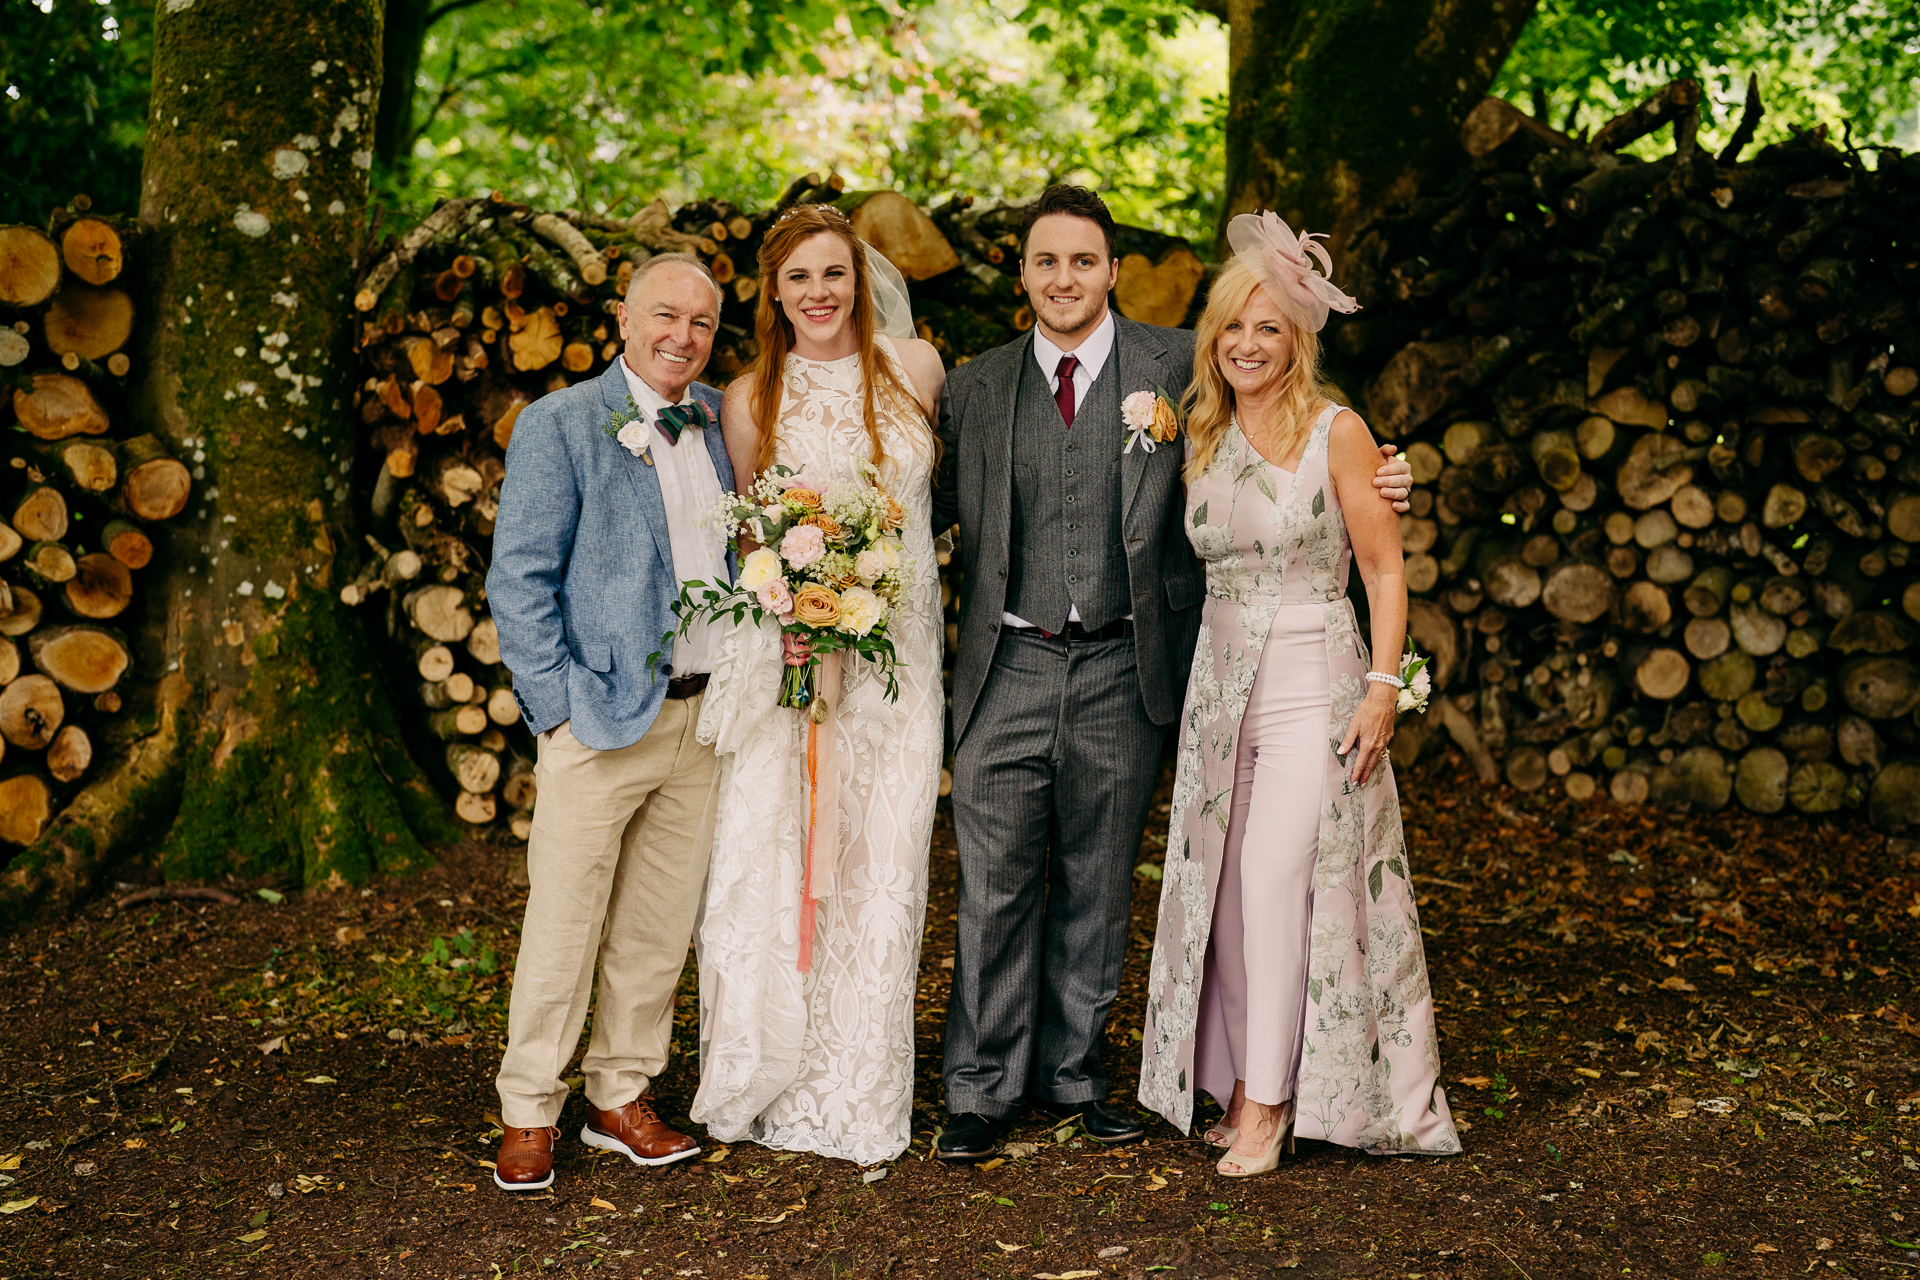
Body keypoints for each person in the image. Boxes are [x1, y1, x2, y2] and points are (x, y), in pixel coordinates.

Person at [931, 186, 1414, 1163]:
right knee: (993, 886)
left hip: (1128, 666)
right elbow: (925, 508)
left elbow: (1321, 468)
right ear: (1020, 274)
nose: (1064, 278)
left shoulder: (1172, 370)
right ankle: (981, 1087)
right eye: (1045, 261)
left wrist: (1390, 479)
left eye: (1083, 260)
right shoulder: (978, 387)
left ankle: (1075, 1069)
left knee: (1104, 880)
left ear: (1112, 270)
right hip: (1008, 666)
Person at [1137, 214, 1462, 1175]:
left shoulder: (1341, 431)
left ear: (1299, 338)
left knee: (1279, 880)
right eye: (1233, 327)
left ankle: (1272, 1106)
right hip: (1217, 686)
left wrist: (1382, 693)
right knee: (1226, 889)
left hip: (1312, 671)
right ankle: (1239, 1081)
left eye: (1269, 327)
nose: (1247, 343)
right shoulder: (1195, 427)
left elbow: (1385, 573)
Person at [690, 204, 947, 1164]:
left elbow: (945, 505)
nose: (819, 294)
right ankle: (778, 1078)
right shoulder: (749, 397)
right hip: (798, 670)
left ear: (861, 279)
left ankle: (860, 1091)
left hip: (900, 667)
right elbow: (755, 537)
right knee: (783, 864)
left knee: (883, 866)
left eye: (834, 274)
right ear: (774, 292)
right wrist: (802, 612)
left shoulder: (917, 374)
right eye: (798, 278)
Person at [485, 253, 736, 1191]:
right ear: (623, 321)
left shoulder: (719, 421)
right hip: (597, 716)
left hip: (703, 717)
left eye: (701, 324)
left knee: (656, 924)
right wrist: (556, 706)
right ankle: (528, 1107)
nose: (681, 337)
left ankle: (619, 1093)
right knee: (564, 919)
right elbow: (519, 578)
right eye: (664, 317)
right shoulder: (561, 423)